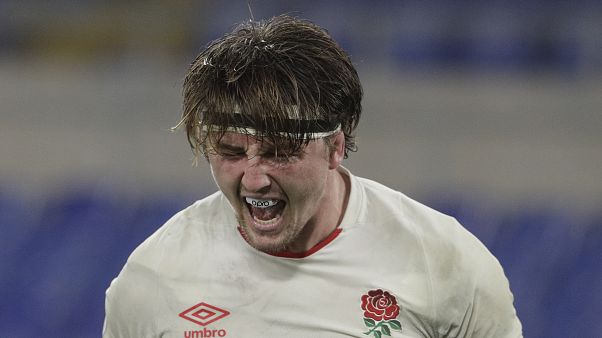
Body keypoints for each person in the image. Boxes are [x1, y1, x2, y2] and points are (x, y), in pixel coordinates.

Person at [103, 15, 523, 338]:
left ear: (336, 147)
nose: (253, 179)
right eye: (231, 152)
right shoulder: (152, 278)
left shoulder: (444, 264)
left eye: (279, 153)